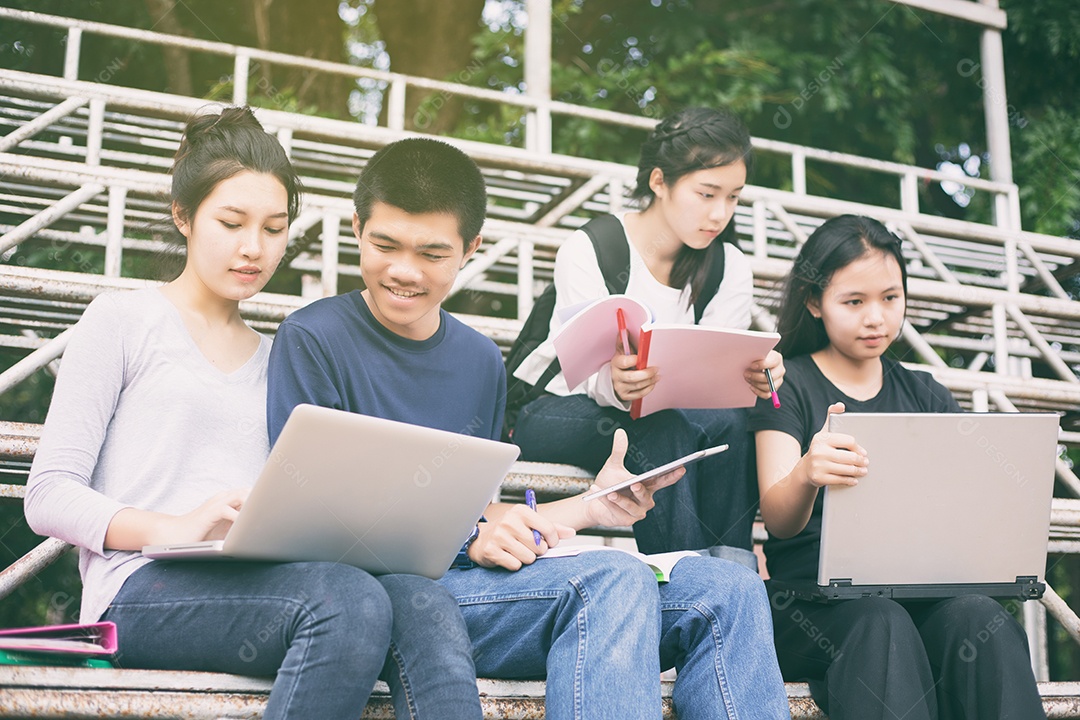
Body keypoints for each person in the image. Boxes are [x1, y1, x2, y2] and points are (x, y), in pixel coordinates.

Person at [266, 136, 791, 720]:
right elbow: (312, 520)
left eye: (433, 254)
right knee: (611, 578)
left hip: (480, 589)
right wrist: (471, 540)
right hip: (388, 602)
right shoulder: (312, 338)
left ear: (471, 249)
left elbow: (476, 518)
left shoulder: (480, 361)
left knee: (730, 590)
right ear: (357, 227)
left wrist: (593, 508)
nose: (404, 271)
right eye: (384, 244)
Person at [24, 107, 483, 720]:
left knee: (420, 600)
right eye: (231, 222)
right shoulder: (124, 322)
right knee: (346, 601)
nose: (253, 248)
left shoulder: (283, 355)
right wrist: (171, 526)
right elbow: (48, 495)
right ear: (183, 215)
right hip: (136, 592)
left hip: (255, 583)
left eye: (274, 228)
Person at [749, 214, 1045, 720]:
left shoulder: (924, 393)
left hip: (921, 593)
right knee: (881, 624)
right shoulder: (785, 385)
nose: (876, 319)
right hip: (814, 603)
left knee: (978, 618)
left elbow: (964, 510)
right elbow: (778, 519)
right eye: (854, 302)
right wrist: (806, 473)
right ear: (814, 302)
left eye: (891, 297)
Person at [509, 107, 784, 560]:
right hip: (554, 410)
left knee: (731, 426)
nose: (720, 213)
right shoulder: (594, 247)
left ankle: (730, 577)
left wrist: (752, 377)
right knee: (662, 431)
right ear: (659, 182)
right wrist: (615, 385)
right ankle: (684, 591)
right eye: (706, 193)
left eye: (733, 197)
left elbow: (715, 390)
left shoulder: (728, 266)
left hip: (667, 418)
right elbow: (579, 369)